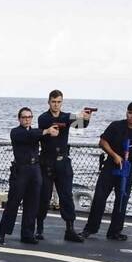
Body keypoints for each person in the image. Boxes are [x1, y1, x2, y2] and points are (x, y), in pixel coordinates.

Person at [82, 100, 132, 241]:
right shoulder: (116, 126)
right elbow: (102, 141)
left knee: (121, 201)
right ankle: (90, 229)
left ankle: (114, 232)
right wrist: (114, 155)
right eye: (130, 112)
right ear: (126, 112)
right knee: (99, 198)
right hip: (110, 166)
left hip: (127, 168)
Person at [0, 108, 60, 245]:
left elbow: (44, 138)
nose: (27, 119)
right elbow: (29, 136)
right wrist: (46, 131)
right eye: (24, 117)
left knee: (32, 203)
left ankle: (27, 234)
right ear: (19, 119)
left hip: (35, 169)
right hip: (21, 170)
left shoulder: (36, 132)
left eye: (29, 117)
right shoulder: (16, 132)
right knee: (13, 202)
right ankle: (2, 232)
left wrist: (53, 131)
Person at [36, 90, 90, 242]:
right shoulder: (43, 118)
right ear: (49, 102)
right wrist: (74, 119)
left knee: (66, 196)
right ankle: (39, 227)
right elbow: (50, 125)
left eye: (59, 102)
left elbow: (81, 125)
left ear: (62, 102)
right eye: (53, 101)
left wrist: (86, 117)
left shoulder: (66, 116)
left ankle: (70, 229)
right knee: (44, 197)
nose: (56, 104)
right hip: (47, 162)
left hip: (63, 162)